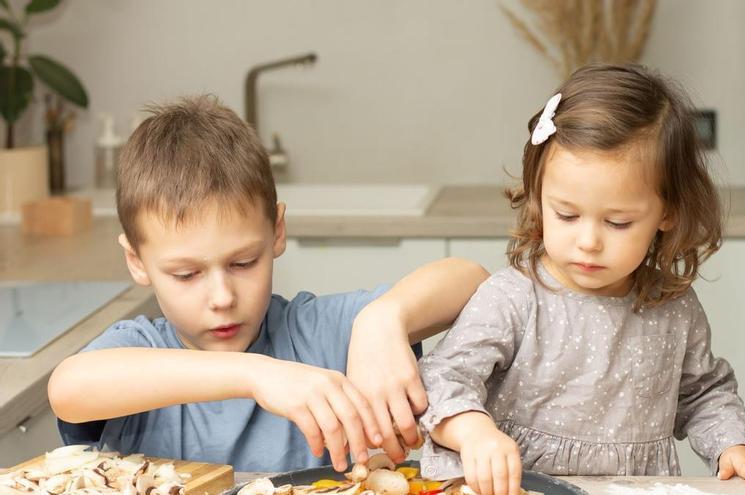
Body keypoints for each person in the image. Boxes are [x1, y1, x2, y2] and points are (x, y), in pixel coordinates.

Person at [47, 95, 489, 473]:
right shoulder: (139, 352)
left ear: (277, 232)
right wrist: (256, 375)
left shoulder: (321, 332)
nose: (221, 298)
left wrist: (385, 319)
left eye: (243, 262)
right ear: (136, 261)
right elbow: (68, 389)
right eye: (186, 275)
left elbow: (473, 281)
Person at [417, 64, 745, 494]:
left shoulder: (673, 307)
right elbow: (443, 377)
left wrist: (735, 448)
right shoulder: (514, 297)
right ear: (539, 198)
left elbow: (705, 393)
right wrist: (473, 432)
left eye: (617, 222)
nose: (588, 242)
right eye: (567, 215)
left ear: (667, 212)